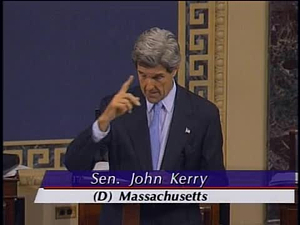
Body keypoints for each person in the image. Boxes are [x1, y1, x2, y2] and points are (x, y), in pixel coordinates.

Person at [64, 27, 226, 225]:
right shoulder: (117, 108)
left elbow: (216, 182)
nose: (149, 86)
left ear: (174, 70)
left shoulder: (203, 115)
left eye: (157, 77)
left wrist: (179, 184)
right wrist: (103, 122)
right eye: (143, 75)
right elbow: (75, 164)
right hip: (125, 218)